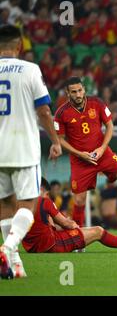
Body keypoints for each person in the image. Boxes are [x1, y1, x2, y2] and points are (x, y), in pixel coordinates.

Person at [0, 25, 62, 279]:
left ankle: (15, 265)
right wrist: (55, 140)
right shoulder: (30, 69)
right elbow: (45, 111)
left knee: (4, 203)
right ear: (20, 46)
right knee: (28, 202)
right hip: (23, 147)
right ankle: (8, 247)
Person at [53, 77, 117, 229]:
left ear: (84, 90)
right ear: (68, 93)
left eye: (80, 90)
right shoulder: (61, 113)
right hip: (80, 160)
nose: (78, 94)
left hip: (103, 154)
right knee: (80, 200)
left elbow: (110, 126)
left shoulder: (97, 103)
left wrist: (101, 149)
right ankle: (78, 238)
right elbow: (60, 140)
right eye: (73, 92)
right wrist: (79, 154)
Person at [22, 178, 117, 254]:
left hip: (31, 247)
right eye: (46, 193)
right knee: (98, 231)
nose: (47, 196)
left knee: (82, 230)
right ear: (41, 189)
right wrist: (73, 225)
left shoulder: (20, 202)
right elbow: (66, 224)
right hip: (50, 245)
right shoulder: (44, 201)